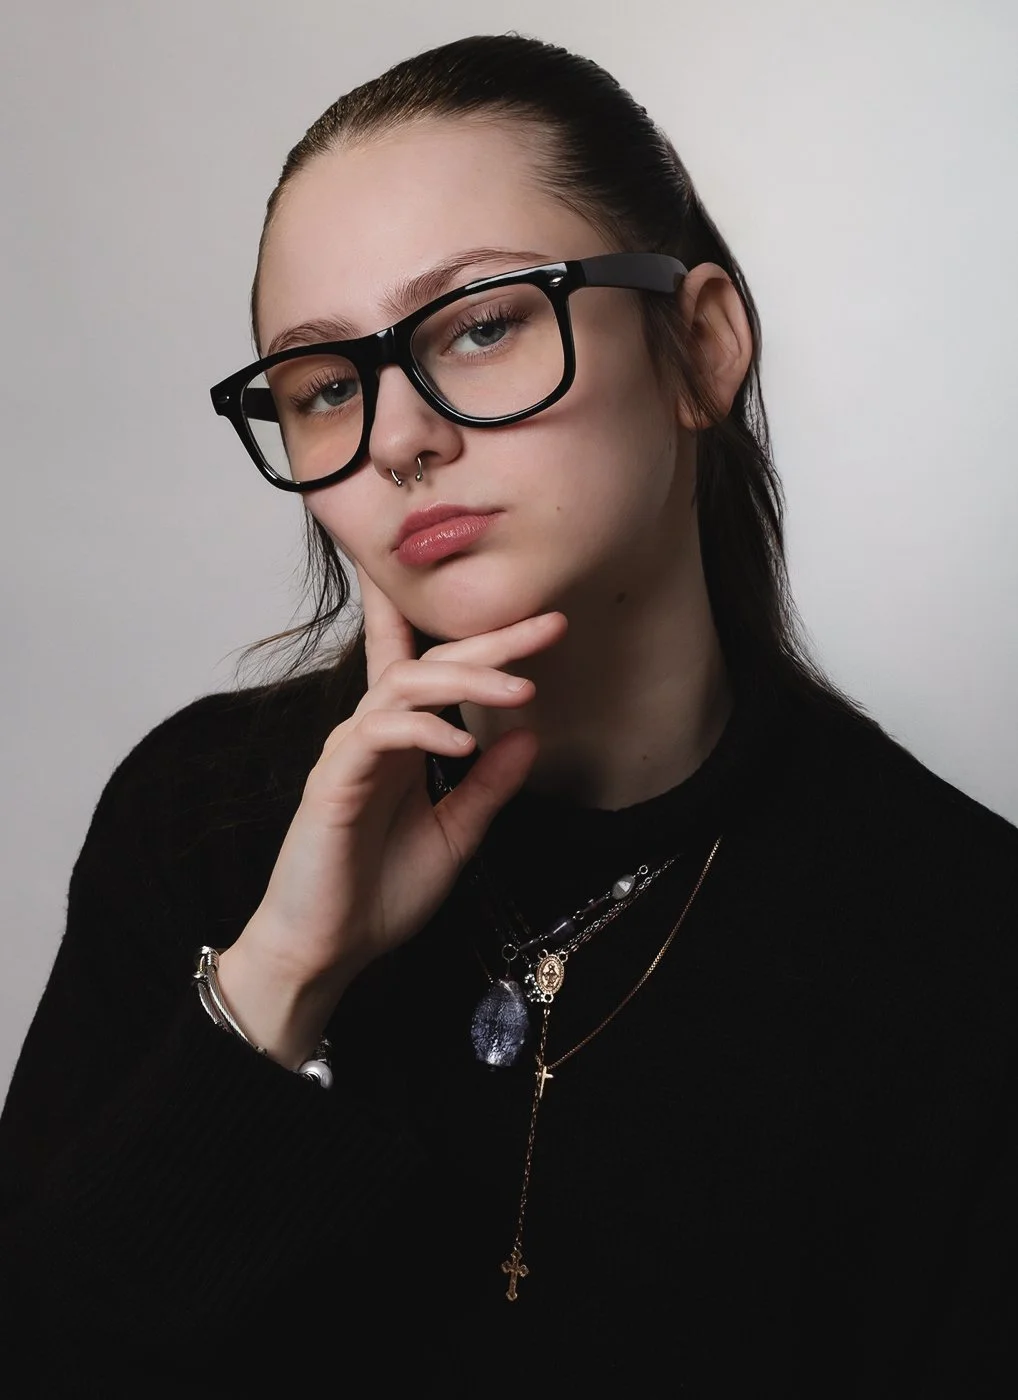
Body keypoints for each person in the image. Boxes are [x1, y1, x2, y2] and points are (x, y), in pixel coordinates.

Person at [0, 31, 1015, 1397]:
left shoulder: (957, 932)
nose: (402, 435)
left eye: (479, 325)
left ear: (697, 347)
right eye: (325, 388)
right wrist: (282, 979)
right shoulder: (201, 817)